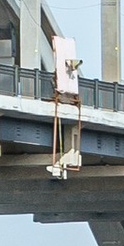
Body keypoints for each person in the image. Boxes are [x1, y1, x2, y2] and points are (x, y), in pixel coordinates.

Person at [46, 31, 83, 178]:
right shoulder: (68, 82)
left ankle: (60, 166)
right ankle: (60, 166)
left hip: (62, 99)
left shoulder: (63, 82)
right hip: (64, 99)